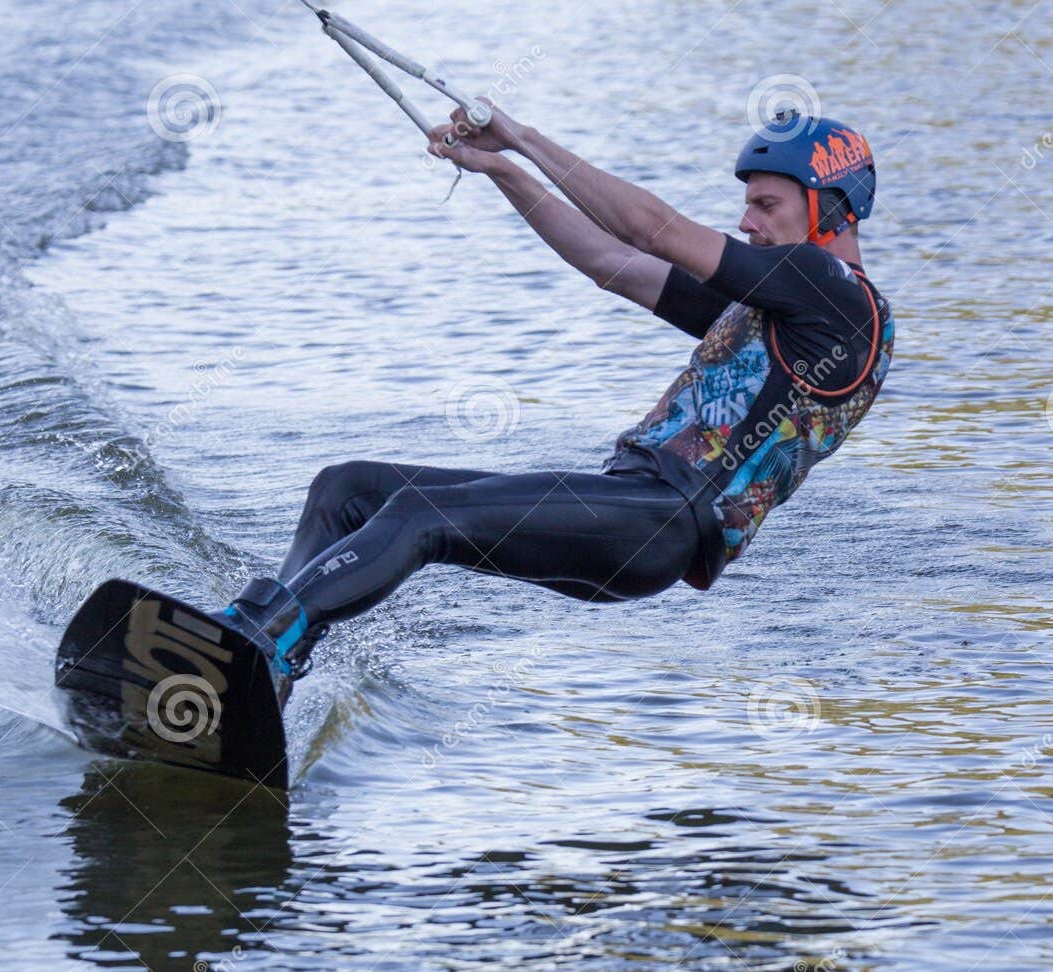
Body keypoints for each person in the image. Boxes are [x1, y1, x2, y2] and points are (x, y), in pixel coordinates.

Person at [215, 105, 893, 704]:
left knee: (421, 517)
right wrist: (501, 170)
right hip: (627, 506)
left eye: (766, 206)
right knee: (350, 488)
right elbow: (612, 262)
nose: (746, 222)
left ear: (830, 209)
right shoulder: (784, 307)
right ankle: (271, 661)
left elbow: (651, 230)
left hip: (664, 521)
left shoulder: (834, 294)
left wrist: (522, 136)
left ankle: (259, 637)